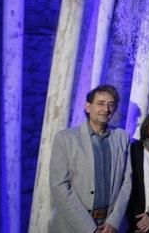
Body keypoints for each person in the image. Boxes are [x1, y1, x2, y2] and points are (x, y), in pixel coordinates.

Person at [49, 84, 132, 233]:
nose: (106, 109)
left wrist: (114, 221)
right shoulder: (66, 138)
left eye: (111, 104)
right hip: (73, 225)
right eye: (100, 103)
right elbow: (60, 187)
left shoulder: (122, 137)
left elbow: (127, 182)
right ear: (88, 107)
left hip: (110, 225)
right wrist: (89, 229)